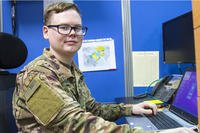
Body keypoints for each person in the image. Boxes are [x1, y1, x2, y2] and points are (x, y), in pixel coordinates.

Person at [12, 2, 196, 133]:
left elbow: (92, 109)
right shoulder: (37, 74)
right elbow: (75, 123)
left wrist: (130, 109)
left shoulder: (70, 69)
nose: (72, 34)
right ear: (46, 31)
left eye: (77, 28)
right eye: (63, 27)